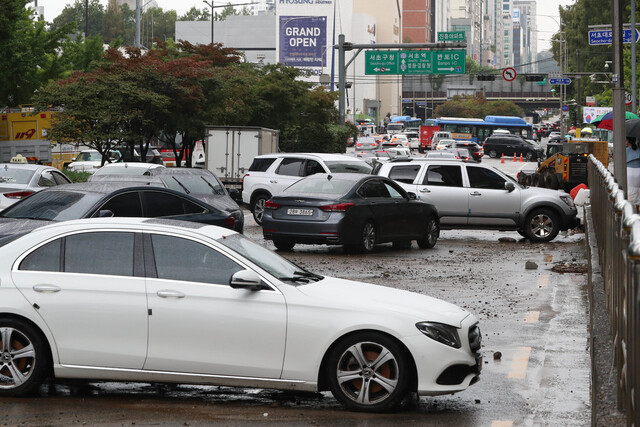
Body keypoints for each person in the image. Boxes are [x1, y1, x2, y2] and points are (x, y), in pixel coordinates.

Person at [626, 136, 640, 210]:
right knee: (638, 190)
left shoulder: (626, 150)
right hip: (638, 172)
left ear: (628, 141)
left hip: (629, 171)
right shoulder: (639, 150)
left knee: (630, 190)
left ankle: (631, 209)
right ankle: (638, 209)